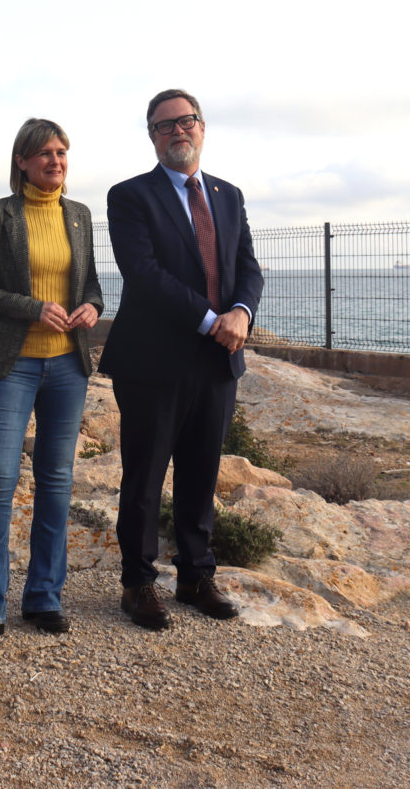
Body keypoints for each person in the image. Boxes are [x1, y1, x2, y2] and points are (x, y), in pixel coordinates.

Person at [99, 89, 263, 630]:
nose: (178, 131)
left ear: (202, 126)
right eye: (165, 125)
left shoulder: (229, 195)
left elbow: (248, 268)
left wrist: (239, 312)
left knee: (201, 472)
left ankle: (196, 575)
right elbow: (143, 273)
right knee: (144, 477)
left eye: (186, 121)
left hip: (218, 360)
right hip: (153, 360)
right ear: (152, 136)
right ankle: (138, 583)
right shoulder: (130, 197)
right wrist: (209, 319)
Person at [0, 118, 103, 644]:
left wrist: (89, 308)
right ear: (22, 161)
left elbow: (93, 288)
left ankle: (44, 597)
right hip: (10, 364)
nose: (55, 160)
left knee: (57, 483)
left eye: (61, 151)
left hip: (68, 367)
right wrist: (33, 308)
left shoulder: (81, 216)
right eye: (43, 153)